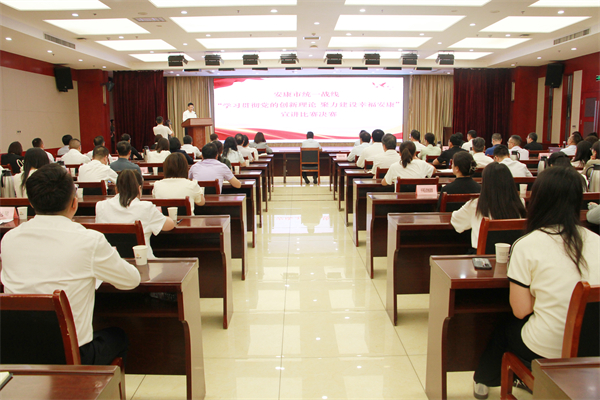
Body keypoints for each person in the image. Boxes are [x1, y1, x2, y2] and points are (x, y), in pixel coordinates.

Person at [472, 166, 599, 399]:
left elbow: (521, 310)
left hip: (549, 349)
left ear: (538, 200)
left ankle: (487, 379)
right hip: (595, 347)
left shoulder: (527, 244)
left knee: (505, 328)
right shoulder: (597, 241)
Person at [0, 163, 141, 365]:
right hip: (70, 357)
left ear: (31, 202)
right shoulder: (89, 240)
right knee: (119, 335)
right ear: (74, 203)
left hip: (16, 353)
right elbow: (131, 280)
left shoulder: (9, 240)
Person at [96, 169, 175, 259]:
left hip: (113, 261)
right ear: (139, 189)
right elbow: (170, 225)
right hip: (142, 262)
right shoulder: (146, 207)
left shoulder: (101, 206)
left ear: (116, 189)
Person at [451, 162, 527, 252]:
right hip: (513, 255)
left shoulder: (476, 205)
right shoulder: (520, 202)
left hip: (483, 257)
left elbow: (456, 221)